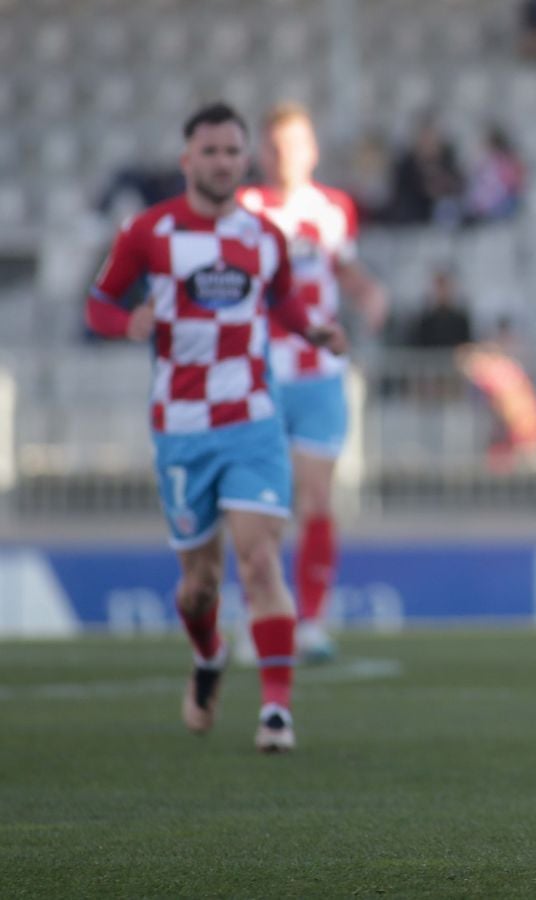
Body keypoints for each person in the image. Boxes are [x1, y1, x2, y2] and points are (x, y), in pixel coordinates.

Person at [85, 101, 348, 753]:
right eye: (212, 152)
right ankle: (208, 655)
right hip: (181, 427)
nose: (224, 162)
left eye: (234, 151)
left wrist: (310, 329)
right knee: (199, 585)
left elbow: (280, 298)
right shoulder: (148, 232)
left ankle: (277, 713)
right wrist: (127, 324)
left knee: (260, 561)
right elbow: (98, 303)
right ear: (187, 161)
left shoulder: (263, 235)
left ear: (243, 159)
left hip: (253, 419)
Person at [239, 102, 389, 664]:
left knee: (318, 498)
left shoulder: (333, 208)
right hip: (259, 374)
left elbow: (341, 266)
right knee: (264, 504)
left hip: (320, 374)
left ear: (312, 150)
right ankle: (264, 617)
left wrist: (369, 293)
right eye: (275, 146)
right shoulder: (244, 209)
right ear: (261, 151)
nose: (285, 156)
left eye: (295, 145)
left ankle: (313, 623)